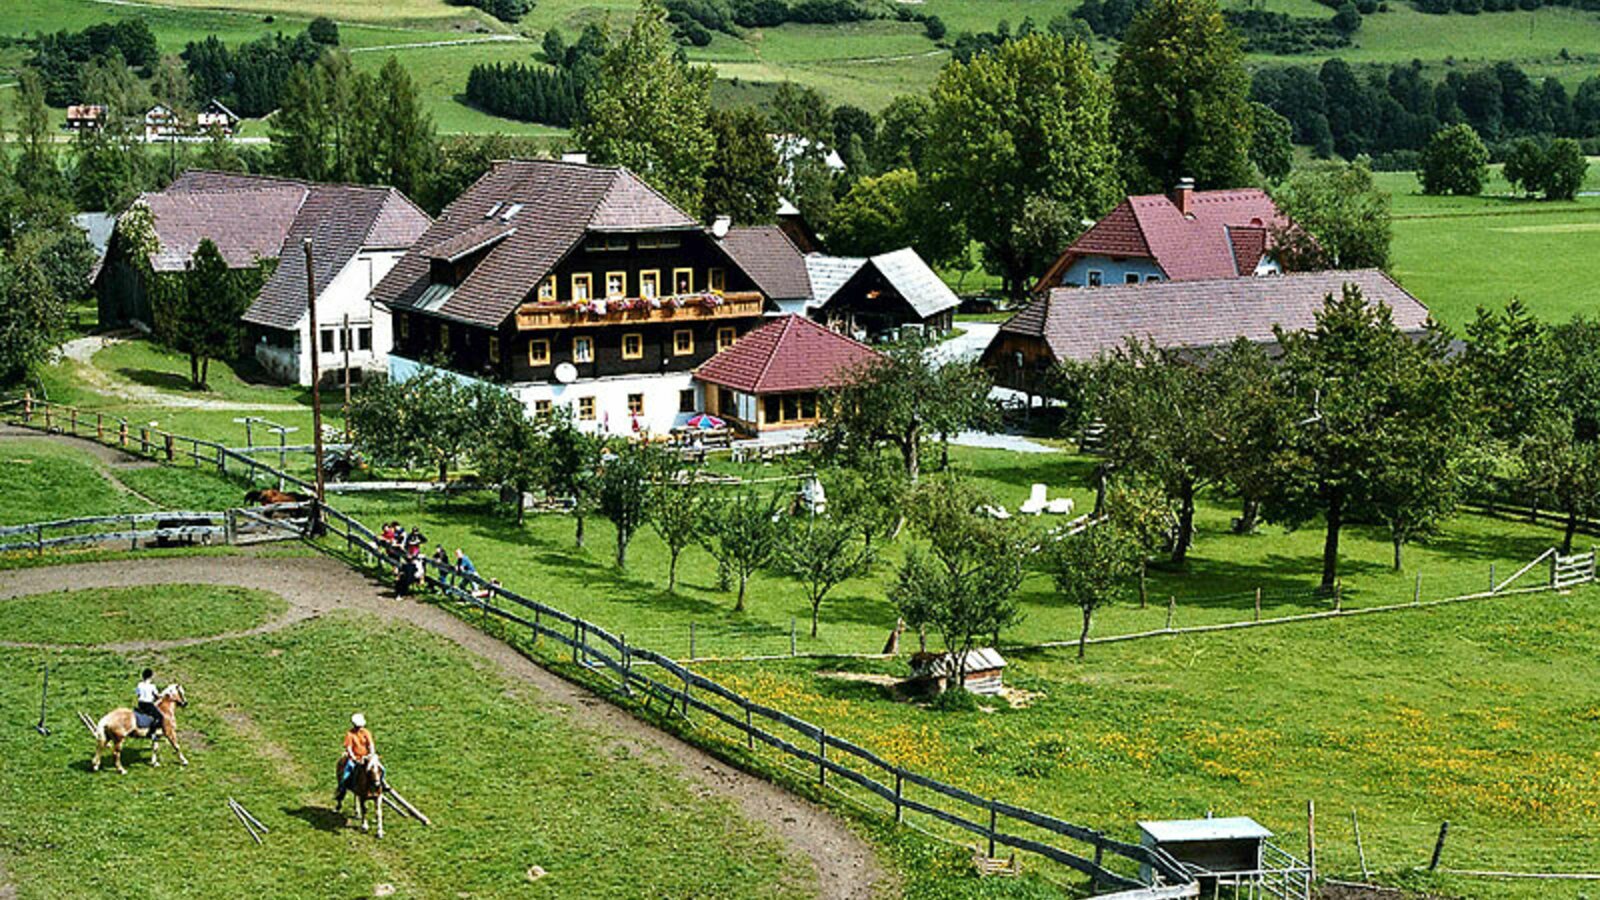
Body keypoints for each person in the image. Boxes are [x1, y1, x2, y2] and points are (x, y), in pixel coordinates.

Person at [336, 713, 377, 805]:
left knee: (380, 769)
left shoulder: (366, 732)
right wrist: (354, 758)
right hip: (355, 758)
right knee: (346, 774)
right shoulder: (350, 734)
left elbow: (371, 744)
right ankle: (342, 789)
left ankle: (381, 784)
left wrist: (371, 754)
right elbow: (349, 748)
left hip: (366, 757)